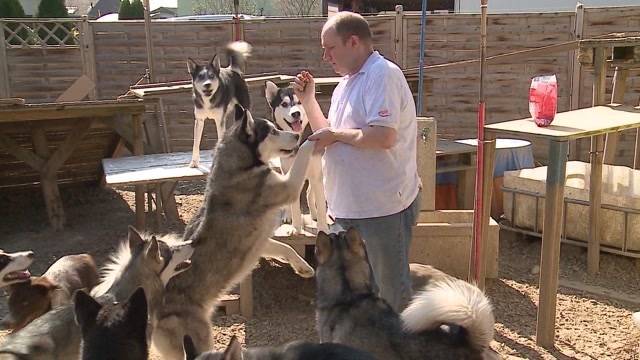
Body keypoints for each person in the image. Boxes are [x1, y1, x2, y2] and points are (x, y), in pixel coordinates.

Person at [293, 11, 421, 312]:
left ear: (354, 42)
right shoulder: (345, 86)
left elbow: (383, 137)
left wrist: (337, 134)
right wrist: (309, 101)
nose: (325, 56)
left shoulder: (383, 75)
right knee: (357, 298)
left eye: (330, 48)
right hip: (348, 210)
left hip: (382, 209)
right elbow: (330, 134)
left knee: (391, 297)